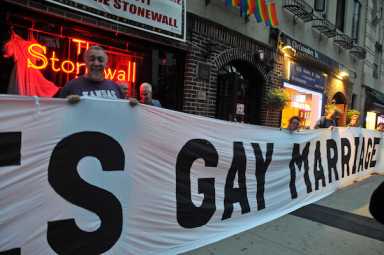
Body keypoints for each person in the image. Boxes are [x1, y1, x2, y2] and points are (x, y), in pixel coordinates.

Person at [59, 45, 137, 106]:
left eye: (100, 60)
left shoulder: (115, 87)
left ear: (106, 64)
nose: (96, 63)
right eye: (92, 59)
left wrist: (132, 106)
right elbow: (58, 114)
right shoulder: (71, 86)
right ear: (85, 62)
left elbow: (122, 114)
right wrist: (66, 104)